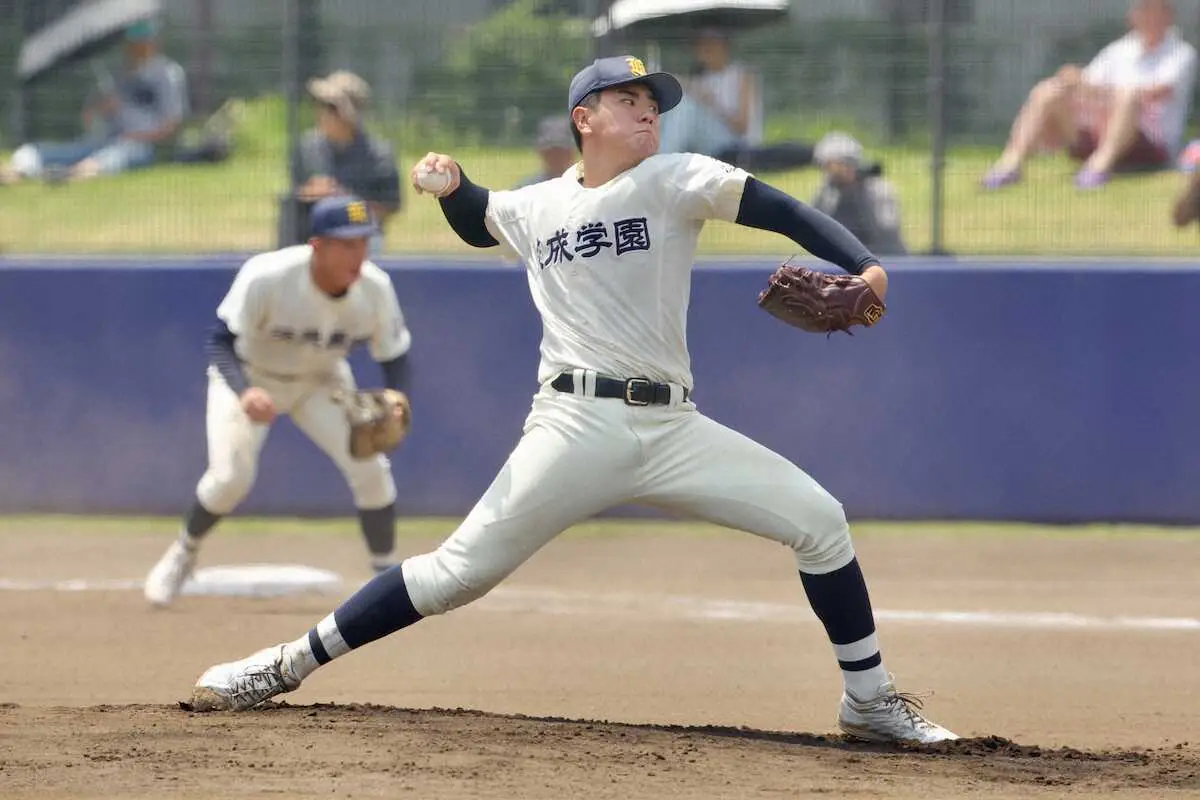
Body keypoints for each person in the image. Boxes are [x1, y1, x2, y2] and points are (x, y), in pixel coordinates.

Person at [187, 55, 957, 745]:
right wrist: (453, 185)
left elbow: (778, 209)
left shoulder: (674, 176)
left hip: (672, 426)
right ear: (584, 119)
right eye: (628, 99)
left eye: (653, 100)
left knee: (820, 520)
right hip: (574, 423)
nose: (648, 110)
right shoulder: (539, 206)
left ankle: (870, 701)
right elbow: (482, 217)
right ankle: (281, 665)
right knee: (455, 575)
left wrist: (865, 264)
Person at [143, 195, 413, 607]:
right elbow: (220, 341)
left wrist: (397, 397)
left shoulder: (375, 288)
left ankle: (386, 578)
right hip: (251, 376)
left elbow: (394, 355)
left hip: (321, 380)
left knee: (371, 468)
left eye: (364, 241)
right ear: (317, 245)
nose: (359, 253)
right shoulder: (268, 275)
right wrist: (244, 391)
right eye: (346, 244)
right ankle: (183, 552)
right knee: (231, 478)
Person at [982, 0, 1197, 191]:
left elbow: (1156, 93)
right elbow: (1089, 83)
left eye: (1155, 10)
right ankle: (1010, 164)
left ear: (1168, 15)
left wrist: (1098, 92)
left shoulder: (1181, 53)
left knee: (1129, 94)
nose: (1149, 17)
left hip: (1148, 144)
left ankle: (1098, 168)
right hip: (1099, 131)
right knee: (1048, 90)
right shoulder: (1120, 49)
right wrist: (1074, 81)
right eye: (1143, 10)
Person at [1, 19, 188, 185]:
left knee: (117, 155)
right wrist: (99, 110)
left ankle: (72, 175)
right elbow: (90, 117)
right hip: (105, 140)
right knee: (50, 150)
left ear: (154, 41)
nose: (138, 46)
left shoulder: (167, 74)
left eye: (144, 40)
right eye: (134, 41)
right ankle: (16, 170)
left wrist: (137, 137)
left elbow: (171, 124)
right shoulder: (117, 76)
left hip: (141, 146)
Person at [290, 71, 402, 248]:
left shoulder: (378, 155)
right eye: (320, 104)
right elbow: (296, 195)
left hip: (360, 243)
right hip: (312, 239)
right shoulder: (307, 148)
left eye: (332, 107)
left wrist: (343, 202)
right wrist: (310, 193)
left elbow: (387, 208)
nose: (321, 112)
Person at [658, 27, 761, 159]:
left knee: (686, 106)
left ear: (724, 46)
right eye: (702, 47)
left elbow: (742, 126)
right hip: (706, 142)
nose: (706, 51)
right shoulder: (702, 78)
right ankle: (660, 156)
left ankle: (662, 158)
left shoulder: (742, 75)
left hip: (736, 144)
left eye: (711, 45)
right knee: (678, 103)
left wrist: (711, 102)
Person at [811, 133, 907, 256]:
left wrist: (859, 193)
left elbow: (886, 231)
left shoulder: (879, 190)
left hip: (886, 260)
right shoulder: (828, 192)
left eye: (841, 165)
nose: (834, 173)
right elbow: (818, 230)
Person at [515, 116, 577, 188]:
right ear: (542, 152)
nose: (556, 157)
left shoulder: (587, 188)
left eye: (561, 151)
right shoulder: (527, 188)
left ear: (572, 151)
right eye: (551, 152)